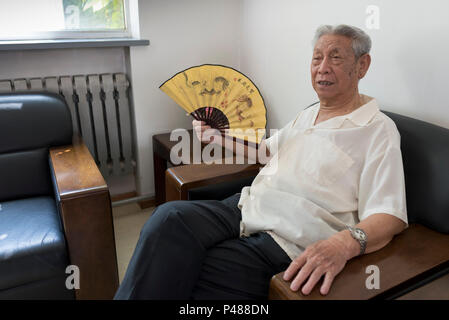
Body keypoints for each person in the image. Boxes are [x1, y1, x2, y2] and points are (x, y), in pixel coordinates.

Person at [114, 24, 408, 300]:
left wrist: (343, 245)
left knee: (184, 268)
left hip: (287, 238)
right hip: (245, 206)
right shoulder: (310, 113)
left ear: (362, 65)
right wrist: (218, 137)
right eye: (316, 58)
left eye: (335, 57)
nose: (322, 68)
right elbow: (266, 152)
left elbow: (389, 215)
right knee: (167, 219)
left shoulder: (377, 129)